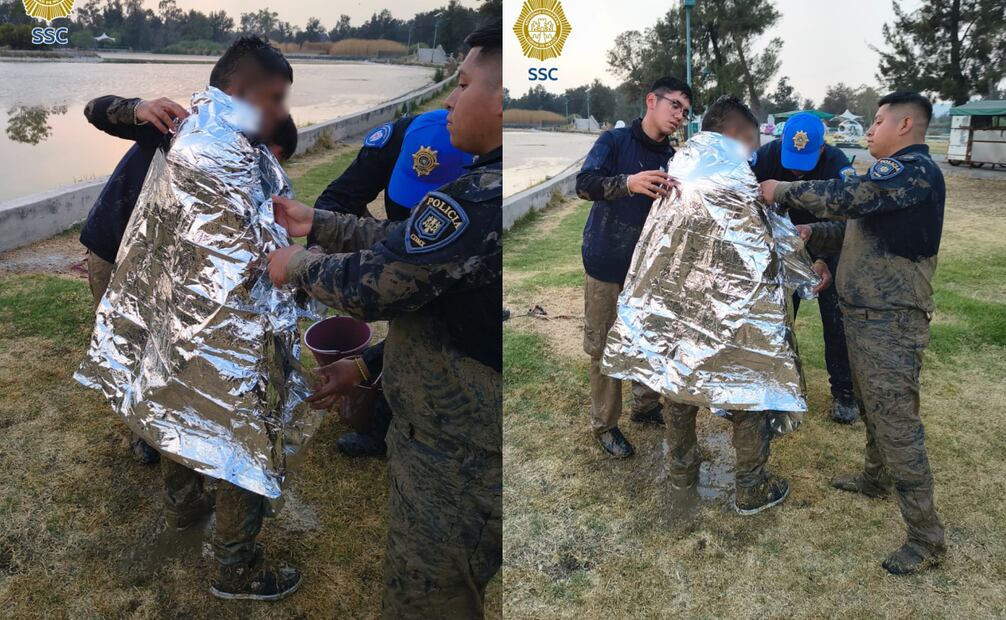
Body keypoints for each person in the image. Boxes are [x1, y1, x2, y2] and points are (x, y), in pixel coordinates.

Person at [265, 20, 503, 618]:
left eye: (464, 83)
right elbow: (409, 243)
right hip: (449, 432)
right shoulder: (483, 188)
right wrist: (319, 223)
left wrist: (295, 265)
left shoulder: (478, 198)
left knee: (429, 598)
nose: (450, 97)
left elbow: (380, 285)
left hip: (459, 455)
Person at [87, 36, 303, 600]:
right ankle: (235, 567)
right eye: (276, 99)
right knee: (243, 443)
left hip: (178, 311)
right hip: (222, 326)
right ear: (242, 91)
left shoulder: (204, 124)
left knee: (175, 405)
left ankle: (185, 508)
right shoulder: (217, 147)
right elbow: (262, 251)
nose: (281, 113)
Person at [760, 91, 946, 574]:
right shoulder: (893, 180)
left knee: (898, 425)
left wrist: (780, 191)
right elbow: (853, 228)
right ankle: (875, 477)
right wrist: (812, 236)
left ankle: (926, 539)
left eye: (879, 120)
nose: (870, 128)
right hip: (864, 315)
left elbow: (848, 198)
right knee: (871, 406)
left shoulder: (913, 172)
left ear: (905, 125)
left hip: (891, 322)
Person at [662, 96, 829, 515]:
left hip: (679, 302)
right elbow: (768, 244)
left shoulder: (679, 171)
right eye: (752, 142)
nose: (755, 153)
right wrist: (809, 274)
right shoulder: (736, 181)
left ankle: (682, 472)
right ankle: (751, 486)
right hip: (733, 309)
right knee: (746, 386)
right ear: (735, 135)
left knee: (677, 382)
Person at [307, 109, 474, 457]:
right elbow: (337, 200)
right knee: (406, 323)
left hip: (463, 293)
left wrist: (363, 363)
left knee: (437, 335)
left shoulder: (487, 181)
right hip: (393, 247)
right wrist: (321, 248)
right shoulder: (397, 138)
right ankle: (380, 430)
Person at [577, 76, 693, 458]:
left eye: (686, 111)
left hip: (650, 271)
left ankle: (646, 406)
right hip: (607, 262)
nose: (680, 115)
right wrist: (628, 183)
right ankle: (605, 425)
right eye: (675, 105)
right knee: (605, 347)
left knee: (648, 340)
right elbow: (584, 184)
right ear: (651, 100)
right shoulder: (614, 141)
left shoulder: (675, 159)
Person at [752, 112, 859, 423]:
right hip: (780, 249)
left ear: (822, 149)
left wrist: (822, 254)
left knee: (836, 320)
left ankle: (844, 392)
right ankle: (773, 388)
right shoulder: (767, 156)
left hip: (826, 243)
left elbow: (848, 217)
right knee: (777, 320)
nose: (796, 169)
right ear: (782, 142)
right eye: (792, 159)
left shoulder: (838, 165)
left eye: (806, 161)